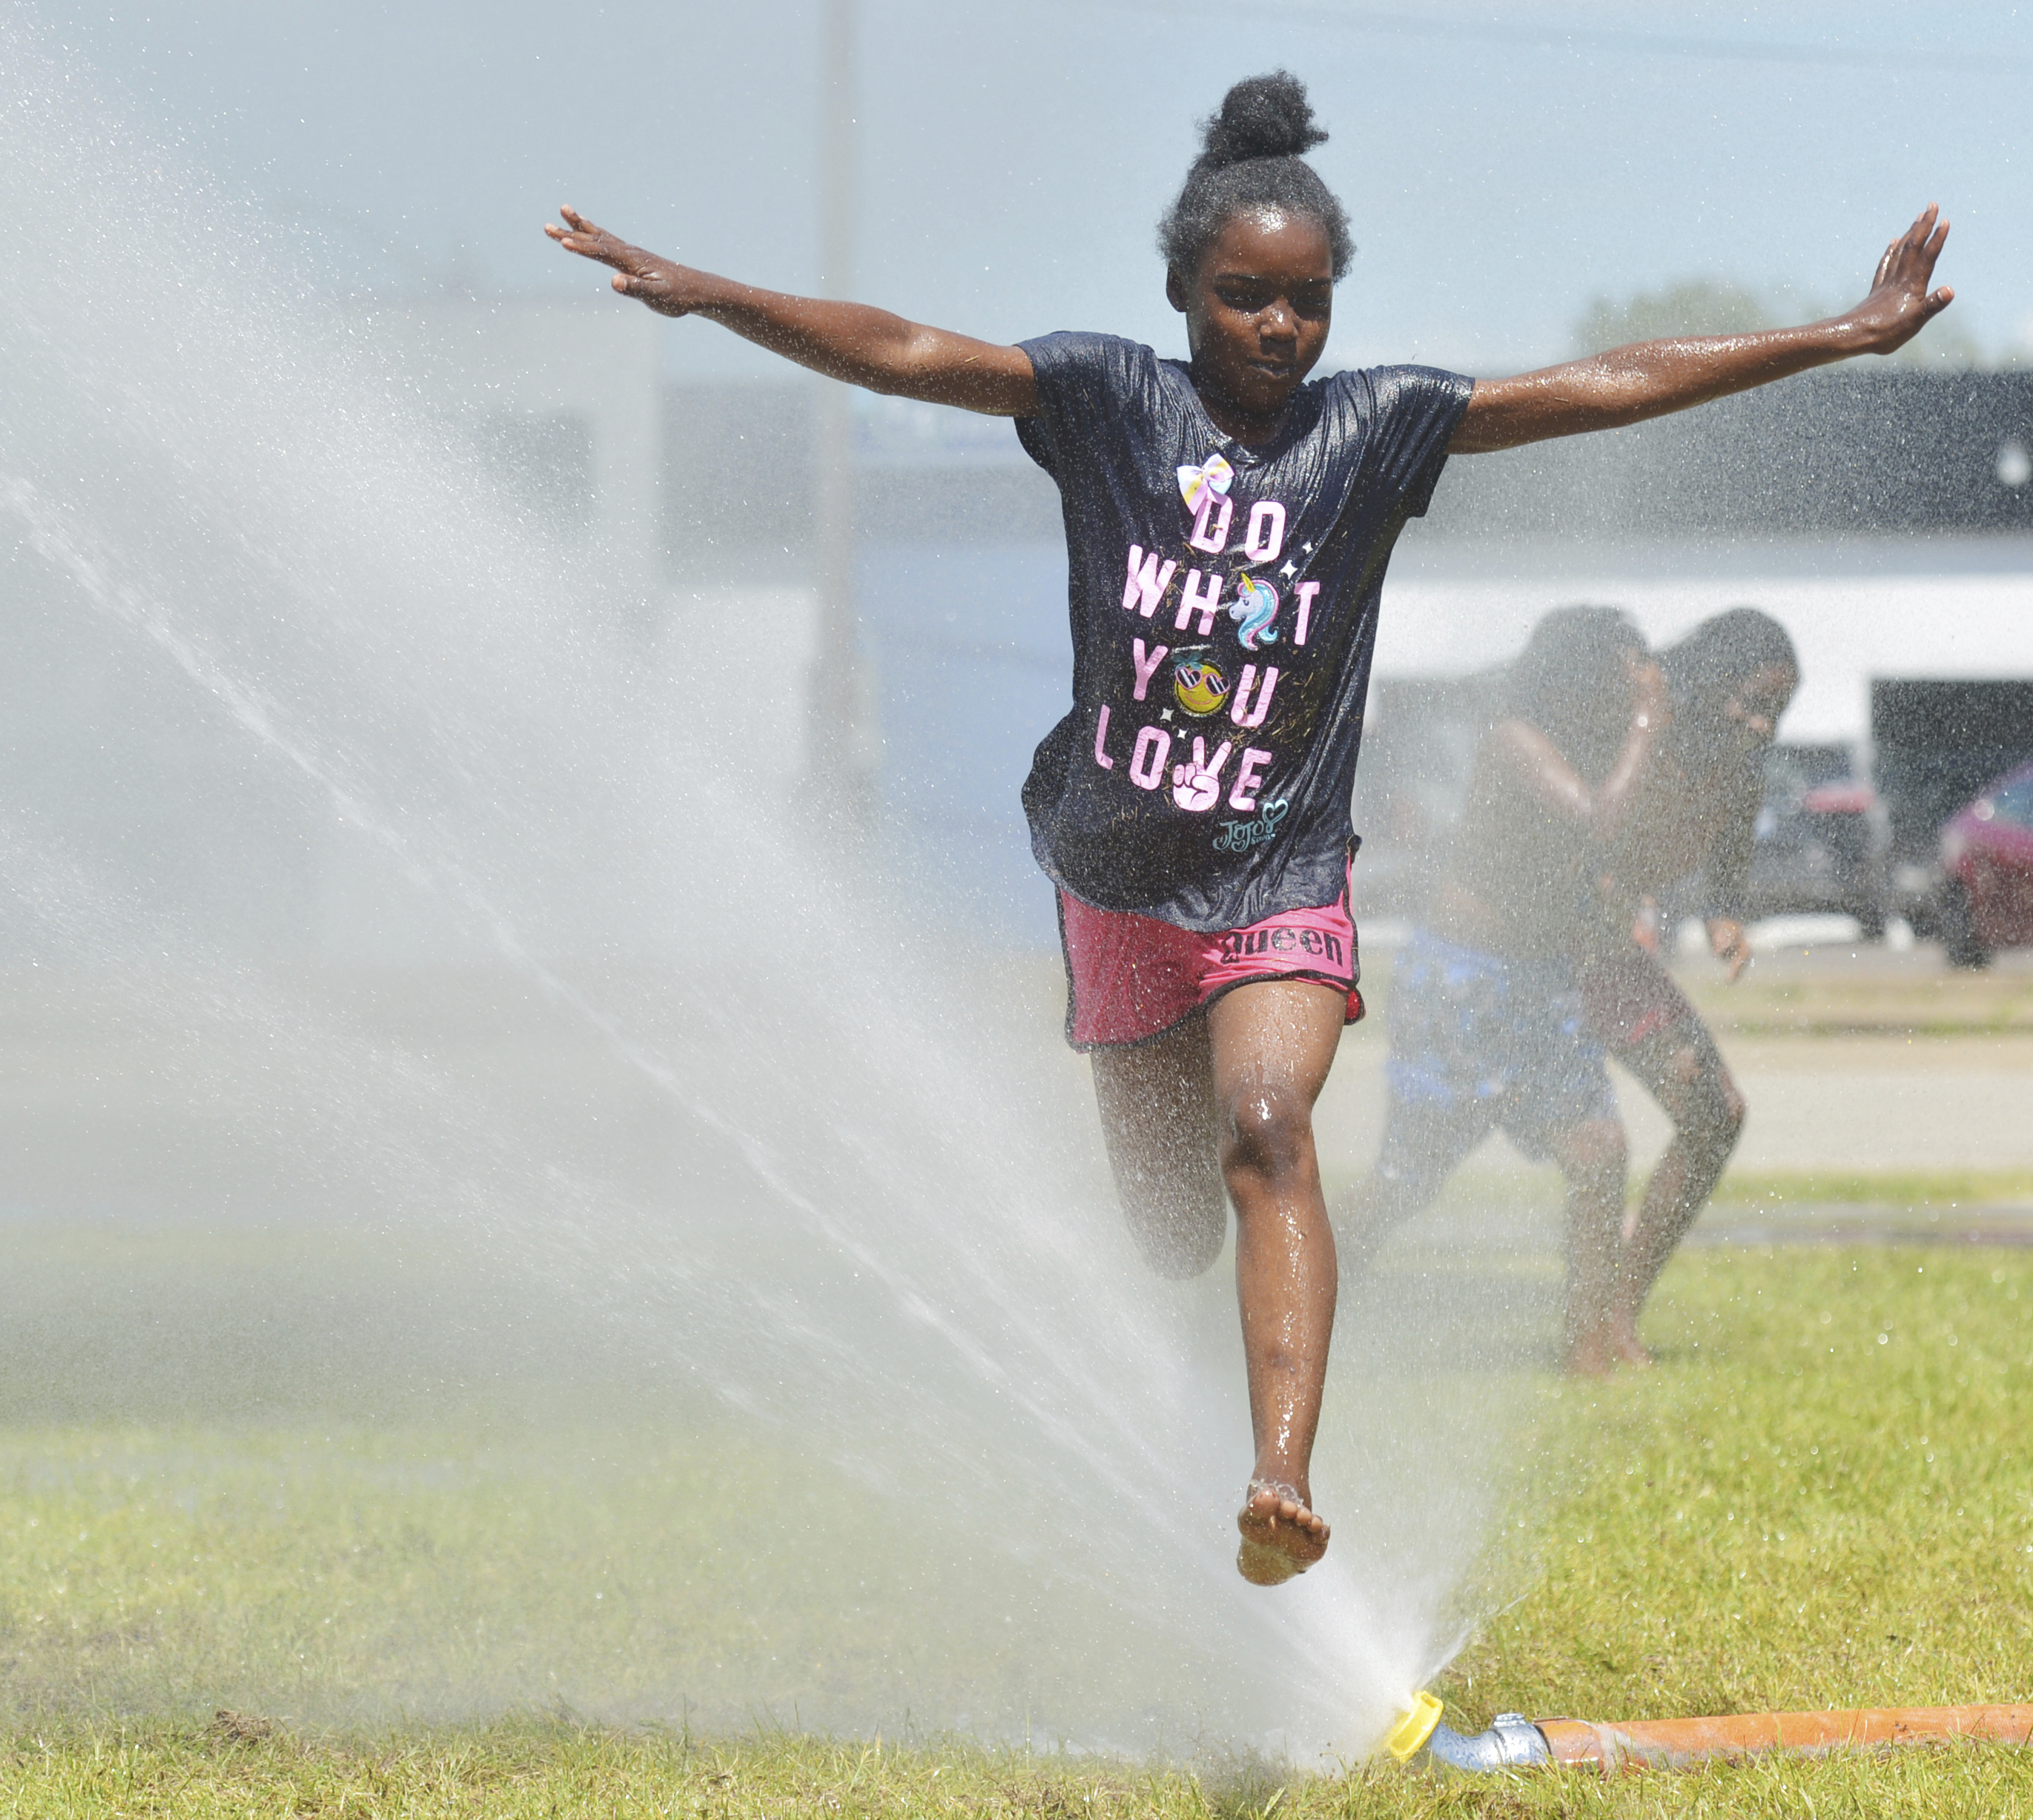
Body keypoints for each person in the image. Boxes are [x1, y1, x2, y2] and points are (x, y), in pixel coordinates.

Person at [545, 70, 1954, 1585]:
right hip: (1118, 884)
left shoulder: (1379, 431)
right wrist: (704, 296)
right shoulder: (1102, 400)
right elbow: (905, 354)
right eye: (1243, 299)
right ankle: (1202, 1386)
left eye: (1306, 302)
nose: (1278, 329)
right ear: (1182, 293)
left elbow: (1601, 382)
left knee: (1270, 1130)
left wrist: (1838, 334)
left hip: (1280, 874)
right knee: (1169, 1235)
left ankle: (1279, 1480)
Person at [1339, 609, 1669, 1374]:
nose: (1632, 699)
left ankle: (1587, 1347)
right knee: (1403, 1181)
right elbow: (1598, 822)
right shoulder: (1516, 741)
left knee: (1598, 1150)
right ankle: (1291, 1305)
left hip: (1540, 989)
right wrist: (1650, 723)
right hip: (1468, 987)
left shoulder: (1592, 750)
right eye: (1622, 681)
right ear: (1579, 680)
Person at [1591, 609, 1799, 1363]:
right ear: (1709, 677)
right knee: (1417, 1165)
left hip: (1606, 957)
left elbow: (1734, 835)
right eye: (1752, 700)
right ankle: (1324, 1298)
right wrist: (1610, 891)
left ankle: (1614, 1313)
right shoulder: (1638, 724)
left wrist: (1722, 915)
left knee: (1715, 1108)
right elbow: (1577, 825)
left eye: (1777, 711)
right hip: (1543, 955)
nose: (1761, 724)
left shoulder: (1736, 764)